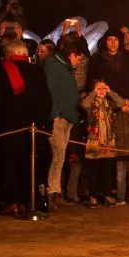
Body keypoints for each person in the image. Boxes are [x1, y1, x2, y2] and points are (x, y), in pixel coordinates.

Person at [0, 38, 50, 214]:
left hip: (8, 127)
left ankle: (11, 201)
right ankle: (27, 200)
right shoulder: (37, 71)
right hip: (33, 128)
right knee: (28, 165)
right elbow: (46, 101)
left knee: (8, 165)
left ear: (9, 54)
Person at [44, 45, 84, 205]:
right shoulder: (53, 65)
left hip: (68, 118)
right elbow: (50, 89)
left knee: (60, 157)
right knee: (57, 156)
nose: (79, 61)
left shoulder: (64, 67)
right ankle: (52, 190)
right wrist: (54, 114)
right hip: (59, 118)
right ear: (70, 54)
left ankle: (55, 190)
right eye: (78, 57)